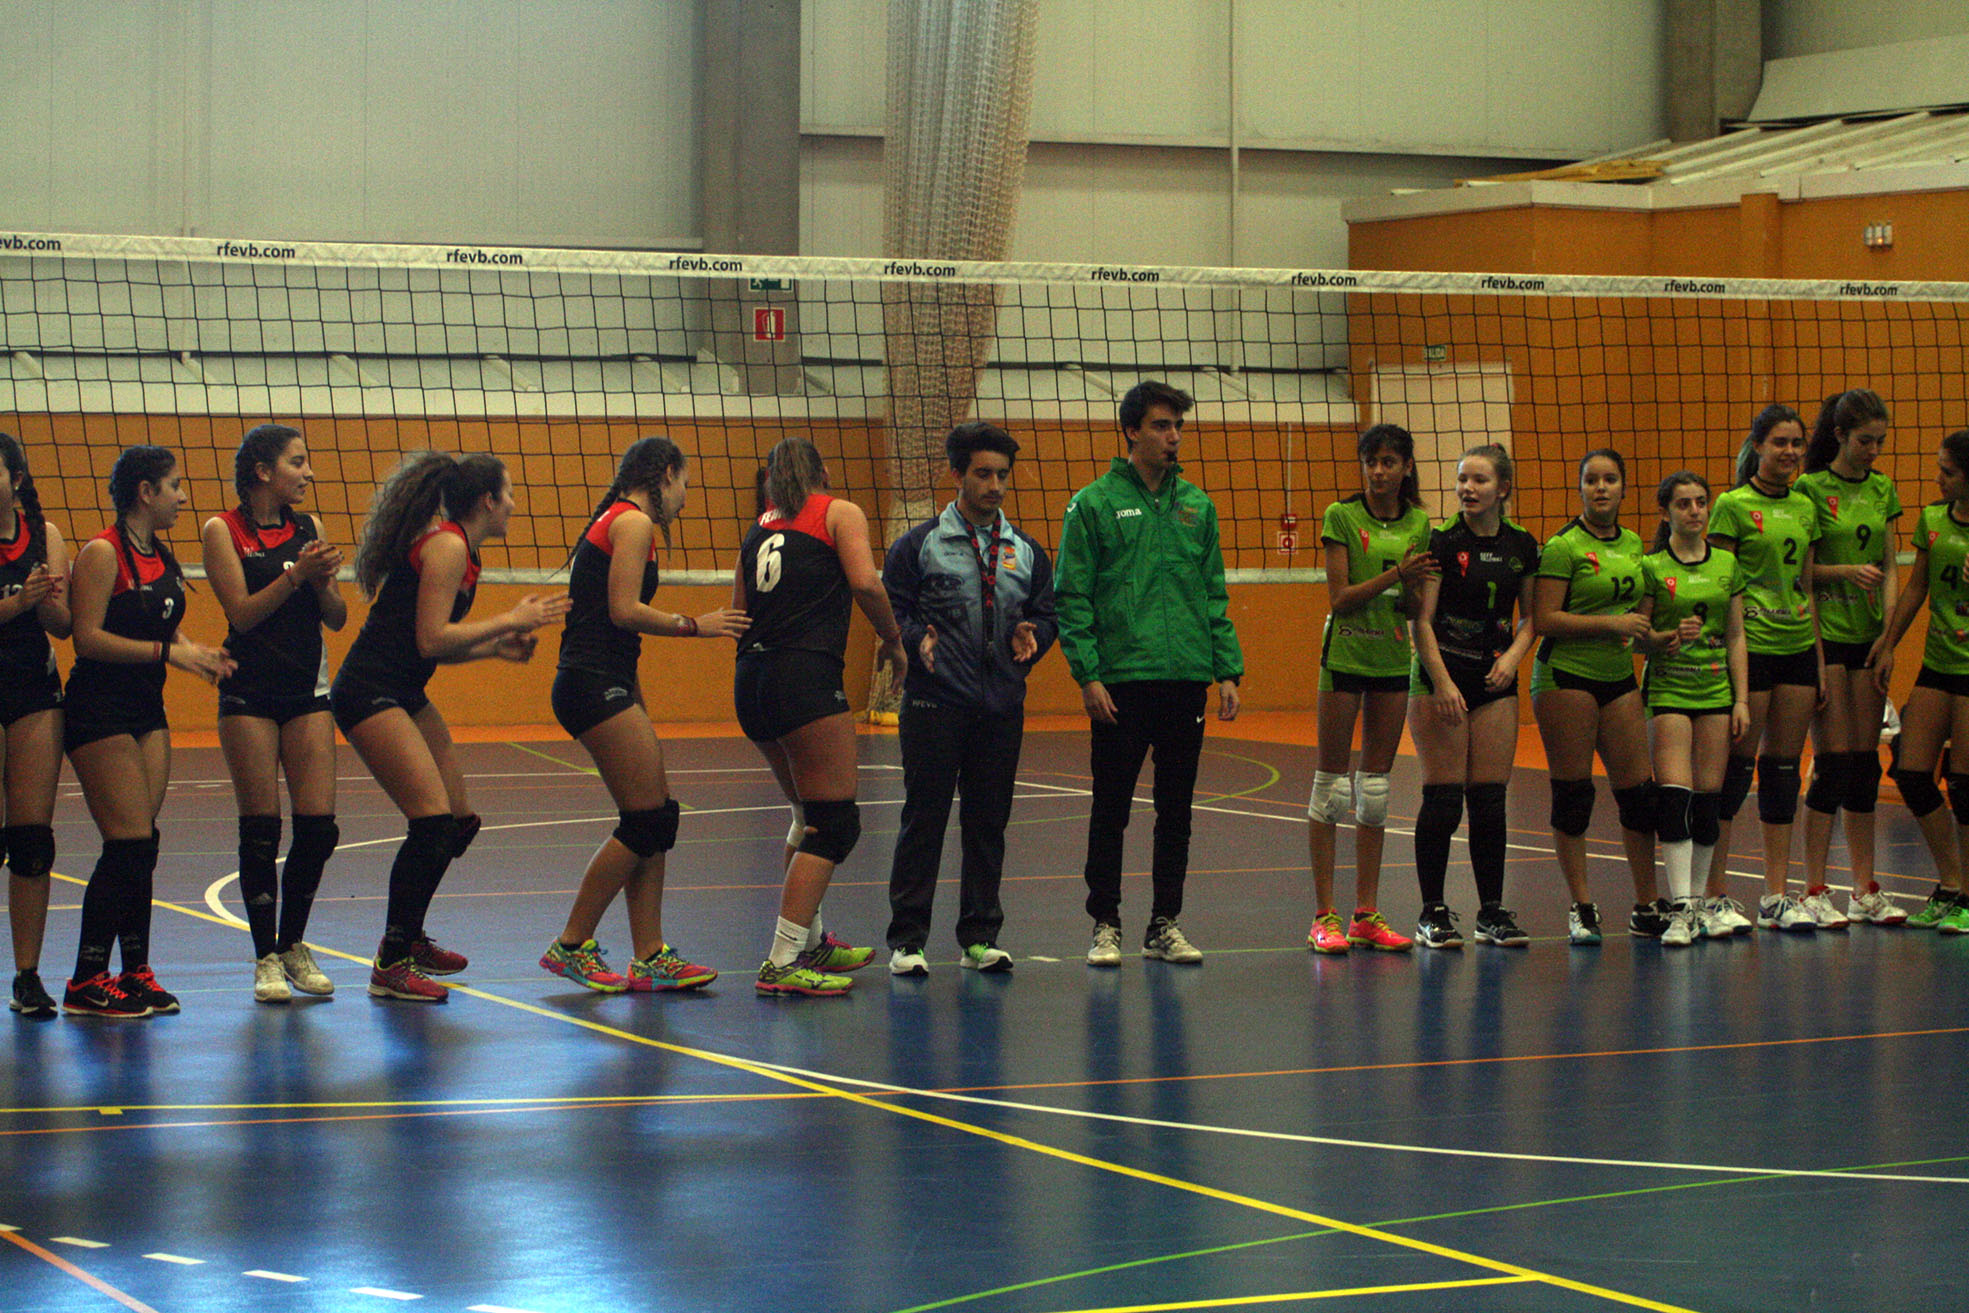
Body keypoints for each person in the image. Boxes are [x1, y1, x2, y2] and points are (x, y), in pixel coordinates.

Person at [331, 452, 570, 1002]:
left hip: (404, 689)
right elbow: (431, 639)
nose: (513, 504)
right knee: (433, 824)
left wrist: (495, 648)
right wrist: (510, 618)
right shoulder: (447, 546)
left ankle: (409, 936)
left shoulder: (464, 552)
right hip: (369, 689)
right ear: (487, 500)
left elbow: (434, 646)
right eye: (508, 494)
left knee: (457, 822)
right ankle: (391, 963)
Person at [541, 436, 745, 992]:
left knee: (655, 817)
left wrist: (638, 705)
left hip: (608, 682)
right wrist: (694, 625)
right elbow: (622, 611)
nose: (686, 497)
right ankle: (571, 945)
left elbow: (612, 632)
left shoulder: (622, 521)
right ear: (667, 473)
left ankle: (650, 954)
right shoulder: (632, 522)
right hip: (591, 685)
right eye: (686, 484)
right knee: (647, 821)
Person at [1055, 380, 1243, 967]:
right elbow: (1072, 596)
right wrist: (1087, 675)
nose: (1173, 437)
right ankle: (1105, 923)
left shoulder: (1198, 507)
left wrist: (1227, 670)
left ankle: (1164, 924)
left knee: (1176, 812)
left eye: (1178, 426)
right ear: (1132, 431)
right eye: (1162, 426)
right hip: (1120, 684)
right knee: (1110, 809)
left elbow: (1213, 595)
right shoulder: (1093, 504)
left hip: (1184, 680)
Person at [63, 445, 234, 1017]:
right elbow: (86, 637)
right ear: (145, 492)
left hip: (146, 710)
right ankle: (85, 979)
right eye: (174, 486)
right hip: (98, 711)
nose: (182, 497)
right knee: (128, 842)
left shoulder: (160, 554)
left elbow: (166, 626)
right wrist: (169, 653)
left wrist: (196, 652)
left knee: (143, 845)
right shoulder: (102, 553)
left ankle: (135, 970)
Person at [882, 421, 1057, 976]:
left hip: (1000, 708)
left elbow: (1048, 614)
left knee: (987, 824)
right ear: (956, 475)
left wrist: (1035, 633)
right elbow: (892, 609)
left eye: (1003, 475)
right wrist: (914, 638)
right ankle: (908, 941)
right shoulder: (919, 546)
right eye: (983, 474)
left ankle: (980, 937)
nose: (995, 486)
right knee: (924, 820)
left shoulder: (1026, 551)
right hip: (934, 705)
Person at [735, 437, 905, 997]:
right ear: (824, 473)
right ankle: (782, 961)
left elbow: (739, 611)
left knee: (806, 815)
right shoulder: (838, 512)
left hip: (751, 679)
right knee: (833, 824)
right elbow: (865, 582)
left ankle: (809, 944)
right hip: (803, 678)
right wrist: (893, 639)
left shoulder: (757, 529)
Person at [201, 424, 347, 1004]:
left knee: (319, 827)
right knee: (261, 829)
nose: (308, 472)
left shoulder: (310, 529)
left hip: (306, 689)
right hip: (250, 693)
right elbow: (241, 614)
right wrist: (296, 576)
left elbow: (336, 617)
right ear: (263, 472)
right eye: (297, 461)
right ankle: (264, 957)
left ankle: (293, 946)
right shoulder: (222, 530)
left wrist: (324, 583)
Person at [1305, 425, 1432, 955]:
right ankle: (1324, 916)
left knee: (1375, 792)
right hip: (1345, 657)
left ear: (1406, 467)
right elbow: (1340, 598)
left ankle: (1365, 913)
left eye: (1388, 462)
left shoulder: (1420, 523)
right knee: (1331, 788)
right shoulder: (1341, 515)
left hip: (1391, 661)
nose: (1378, 472)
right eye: (1371, 462)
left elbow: (1413, 605)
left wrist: (1414, 589)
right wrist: (1397, 573)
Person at [1407, 444, 1539, 949]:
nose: (1467, 488)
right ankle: (1432, 912)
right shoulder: (1441, 542)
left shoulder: (1522, 545)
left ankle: (1491, 912)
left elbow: (1532, 618)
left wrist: (1513, 659)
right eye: (1462, 478)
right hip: (1442, 674)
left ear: (1503, 488)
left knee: (1488, 800)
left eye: (1479, 480)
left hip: (1495, 679)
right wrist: (1442, 682)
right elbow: (1421, 621)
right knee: (1443, 799)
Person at [1530, 449, 1663, 945]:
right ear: (1580, 488)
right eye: (1591, 480)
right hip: (1566, 675)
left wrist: (1656, 636)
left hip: (1618, 676)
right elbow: (1545, 619)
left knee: (1639, 796)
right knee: (1574, 795)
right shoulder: (1563, 547)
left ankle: (1646, 905)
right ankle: (1582, 907)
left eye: (1609, 480)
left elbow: (1640, 613)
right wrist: (1612, 624)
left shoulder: (1633, 544)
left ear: (1624, 487)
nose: (1601, 488)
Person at [1707, 405, 1823, 932]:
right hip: (1751, 649)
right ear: (1757, 446)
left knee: (1782, 771)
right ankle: (1714, 893)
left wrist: (1818, 661)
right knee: (1734, 772)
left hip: (1797, 645)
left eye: (1797, 443)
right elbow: (1719, 583)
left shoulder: (1805, 506)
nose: (1790, 452)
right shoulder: (1731, 506)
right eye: (1780, 442)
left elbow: (1806, 585)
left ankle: (1776, 895)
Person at [1797, 389, 1904, 925]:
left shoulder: (1883, 488)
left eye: (1880, 441)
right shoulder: (1811, 489)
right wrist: (1816, 657)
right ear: (1839, 435)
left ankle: (1864, 889)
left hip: (1868, 640)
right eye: (1865, 441)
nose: (1874, 451)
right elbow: (1803, 575)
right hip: (1827, 637)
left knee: (1864, 768)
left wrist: (1888, 638)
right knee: (1833, 766)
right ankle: (1814, 890)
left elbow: (1891, 567)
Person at [1636, 473, 1750, 946]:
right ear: (1665, 512)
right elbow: (1637, 636)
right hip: (1669, 690)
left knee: (1708, 801)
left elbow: (1737, 635)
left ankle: (1700, 903)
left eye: (1701, 502)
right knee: (1675, 796)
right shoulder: (1651, 566)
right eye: (1683, 504)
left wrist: (1741, 699)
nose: (1695, 511)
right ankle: (1681, 905)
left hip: (1716, 692)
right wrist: (1664, 639)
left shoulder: (1726, 564)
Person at [1868, 427, 1969, 935]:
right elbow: (1916, 589)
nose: (1937, 479)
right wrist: (1889, 643)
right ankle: (1952, 883)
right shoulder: (1932, 519)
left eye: (1947, 472)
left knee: (1964, 787)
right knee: (1910, 772)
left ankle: (1966, 895)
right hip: (1938, 663)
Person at [0, 433, 71, 1018]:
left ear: (16, 480)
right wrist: (18, 603)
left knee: (31, 842)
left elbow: (65, 625)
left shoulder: (44, 536)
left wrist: (45, 600)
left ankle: (27, 976)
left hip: (33, 691)